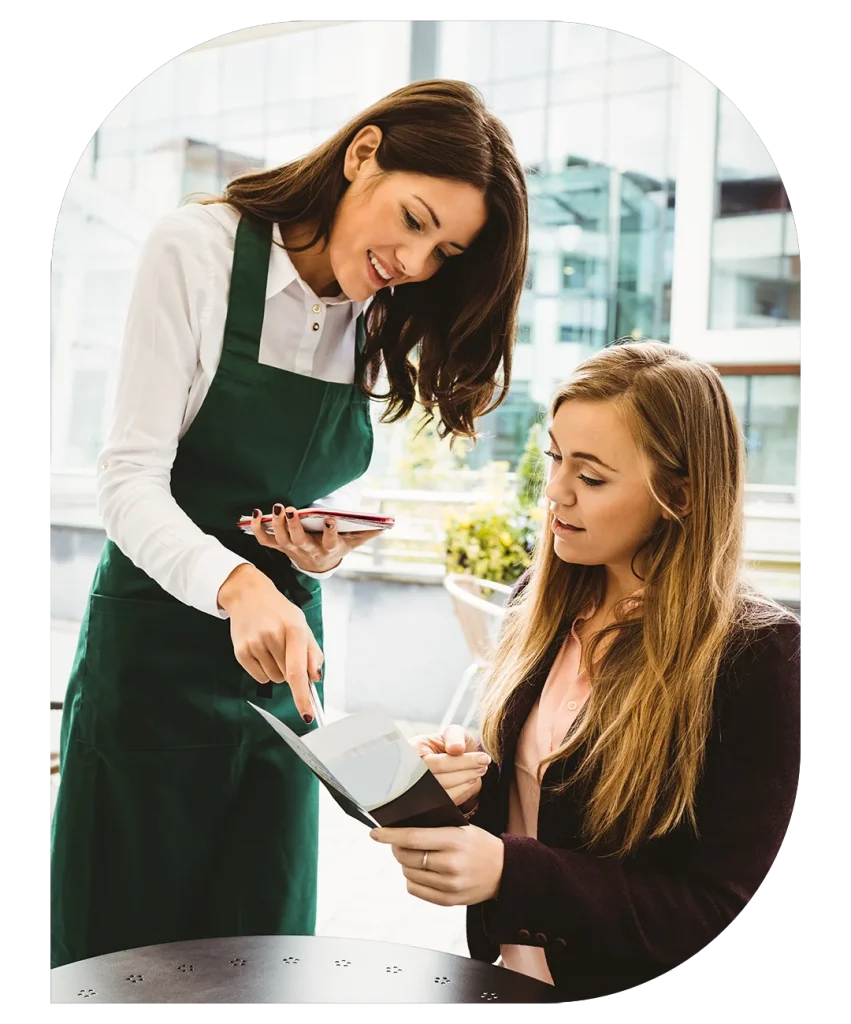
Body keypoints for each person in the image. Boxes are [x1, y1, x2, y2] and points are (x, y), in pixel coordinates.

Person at [49, 79, 529, 968]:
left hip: (282, 674)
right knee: (121, 952)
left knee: (259, 944)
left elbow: (264, 494)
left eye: (445, 250)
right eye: (414, 220)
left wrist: (300, 549)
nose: (416, 262)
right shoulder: (194, 248)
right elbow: (126, 483)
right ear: (361, 155)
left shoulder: (375, 309)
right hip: (150, 663)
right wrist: (237, 583)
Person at [371, 340, 801, 1002]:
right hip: (504, 981)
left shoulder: (757, 657)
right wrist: (467, 789)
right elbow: (546, 805)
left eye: (591, 477)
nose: (553, 494)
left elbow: (719, 909)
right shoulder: (538, 602)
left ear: (679, 496)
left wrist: (509, 873)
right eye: (553, 458)